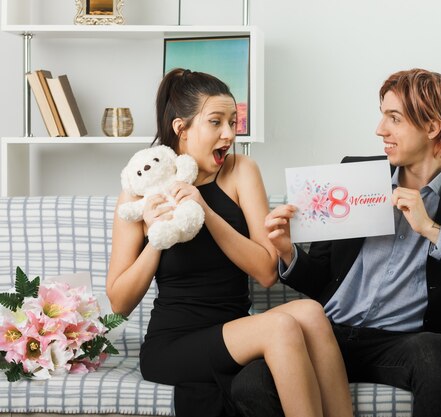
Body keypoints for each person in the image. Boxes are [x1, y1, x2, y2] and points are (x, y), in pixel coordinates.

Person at [252, 68, 441, 417]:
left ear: (432, 127)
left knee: (434, 352)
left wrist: (431, 229)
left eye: (394, 118)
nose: (380, 129)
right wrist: (287, 251)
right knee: (249, 383)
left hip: (407, 343)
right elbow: (323, 278)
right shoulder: (355, 175)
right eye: (382, 115)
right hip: (331, 334)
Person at [106, 68, 354, 417]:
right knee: (280, 325)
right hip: (175, 343)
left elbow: (267, 271)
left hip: (234, 329)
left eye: (233, 122)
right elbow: (119, 302)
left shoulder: (241, 170)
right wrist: (156, 238)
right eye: (216, 122)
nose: (229, 134)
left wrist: (204, 210)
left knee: (311, 313)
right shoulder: (138, 189)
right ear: (182, 128)